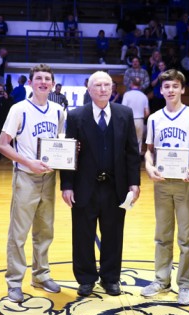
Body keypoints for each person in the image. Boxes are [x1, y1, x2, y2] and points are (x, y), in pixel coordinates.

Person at [60, 71, 141, 297]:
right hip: (84, 187)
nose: (103, 89)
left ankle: (110, 278)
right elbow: (69, 154)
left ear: (113, 88)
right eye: (98, 85)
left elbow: (132, 152)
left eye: (107, 85)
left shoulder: (124, 114)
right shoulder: (76, 116)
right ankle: (85, 279)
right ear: (89, 89)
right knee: (83, 234)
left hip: (116, 187)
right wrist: (66, 185)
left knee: (113, 234)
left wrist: (134, 183)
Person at [0, 64, 65, 303]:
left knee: (45, 231)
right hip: (26, 177)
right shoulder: (19, 109)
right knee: (18, 233)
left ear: (53, 83)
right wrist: (28, 161)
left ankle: (41, 275)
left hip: (49, 177)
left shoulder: (58, 110)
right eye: (39, 78)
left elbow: (60, 143)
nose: (43, 82)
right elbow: (2, 144)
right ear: (31, 83)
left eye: (47, 78)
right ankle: (14, 282)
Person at [141, 69, 189, 305]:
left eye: (175, 86)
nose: (170, 90)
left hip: (184, 182)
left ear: (183, 89)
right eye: (166, 87)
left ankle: (185, 284)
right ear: (161, 90)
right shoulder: (154, 118)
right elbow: (149, 151)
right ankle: (161, 279)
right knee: (162, 235)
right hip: (161, 182)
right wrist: (148, 167)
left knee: (187, 237)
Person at [121, 77, 149, 154]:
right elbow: (147, 112)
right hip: (140, 120)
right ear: (140, 85)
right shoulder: (144, 96)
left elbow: (123, 109)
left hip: (129, 120)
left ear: (131, 84)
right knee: (138, 141)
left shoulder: (127, 94)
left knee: (127, 141)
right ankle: (137, 161)